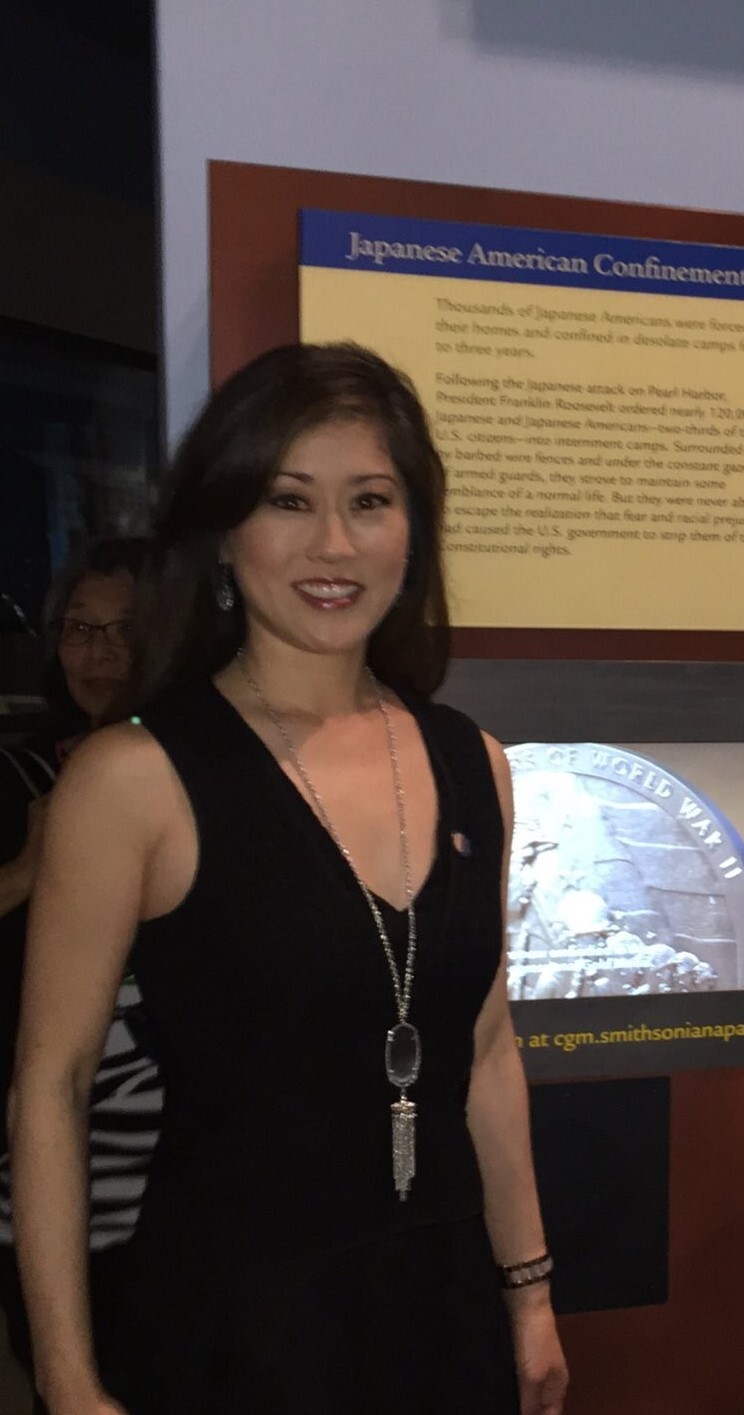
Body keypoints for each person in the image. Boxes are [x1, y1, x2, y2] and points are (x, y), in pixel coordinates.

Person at [10, 344, 567, 1414]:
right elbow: (52, 1085)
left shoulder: (472, 760)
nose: (335, 544)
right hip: (232, 1324)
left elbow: (487, 1047)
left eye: (370, 500)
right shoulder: (138, 777)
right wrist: (70, 1378)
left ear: (414, 527)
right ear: (226, 528)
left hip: (442, 1308)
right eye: (288, 500)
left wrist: (529, 1289)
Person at [0, 540, 159, 1404]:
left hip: (187, 1164)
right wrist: (34, 865)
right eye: (78, 629)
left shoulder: (208, 773)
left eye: (123, 631)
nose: (98, 654)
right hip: (50, 1142)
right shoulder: (22, 769)